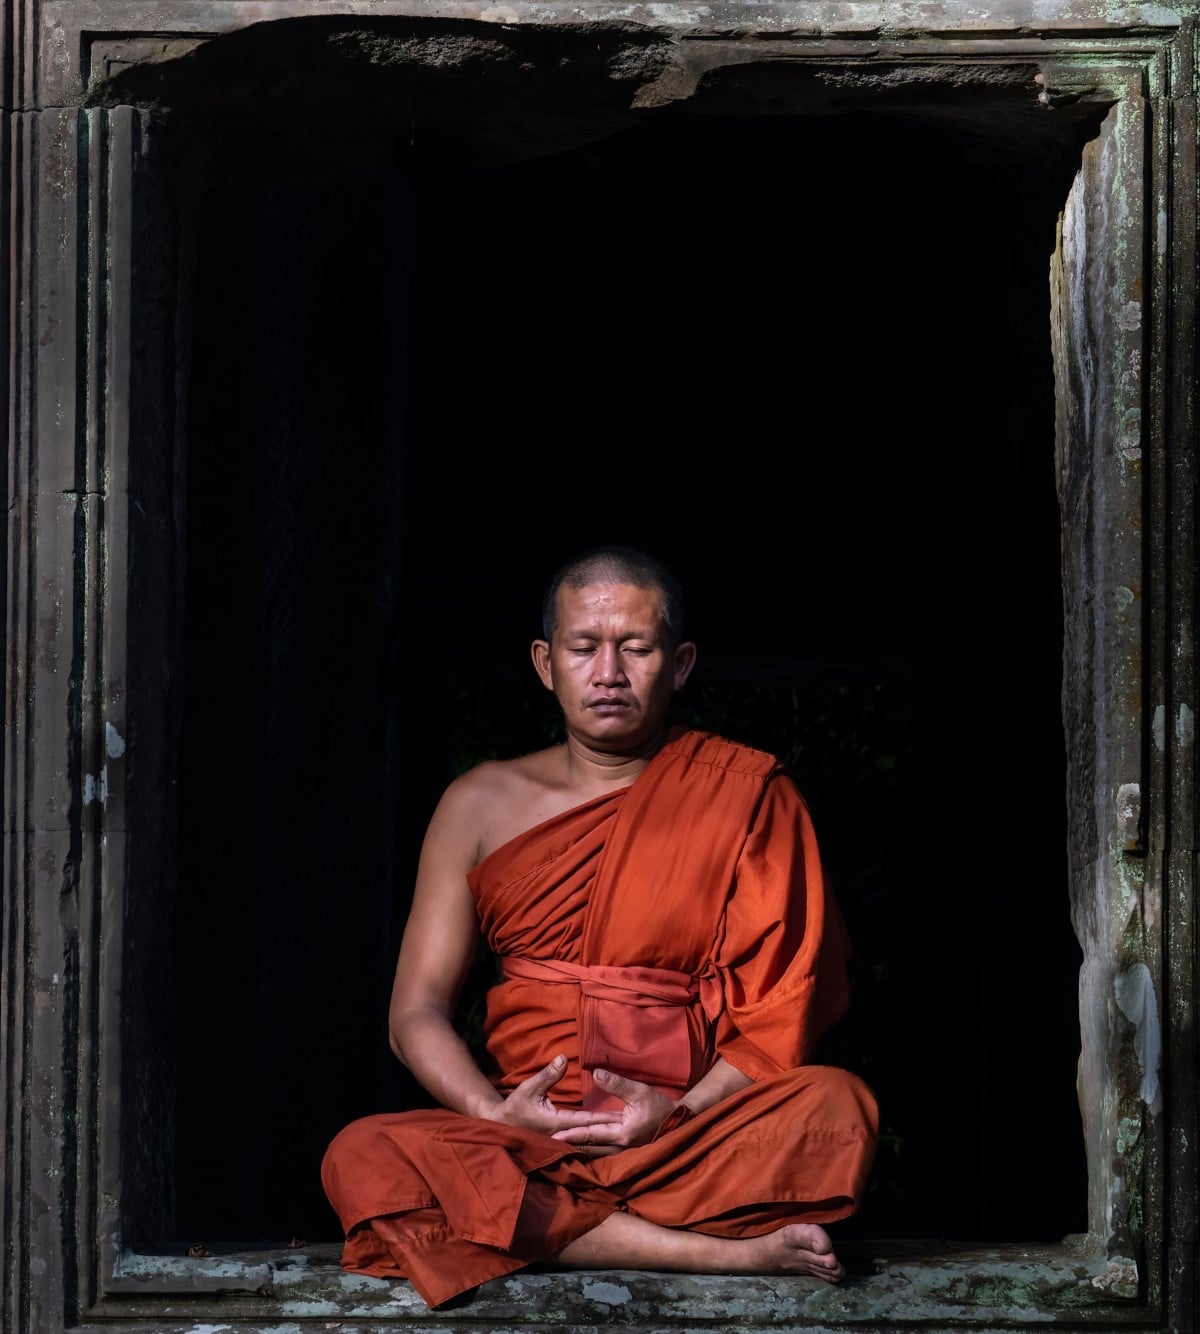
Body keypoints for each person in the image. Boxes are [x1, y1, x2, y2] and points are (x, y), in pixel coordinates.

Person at [321, 543, 879, 1309]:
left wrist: (675, 1113)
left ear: (679, 663)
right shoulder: (479, 803)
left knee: (836, 1107)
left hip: (686, 1136)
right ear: (546, 663)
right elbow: (413, 1011)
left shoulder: (747, 793)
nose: (608, 672)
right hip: (527, 1140)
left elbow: (786, 1007)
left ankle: (532, 1228)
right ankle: (724, 1254)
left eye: (636, 648)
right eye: (585, 648)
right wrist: (491, 1111)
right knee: (363, 1154)